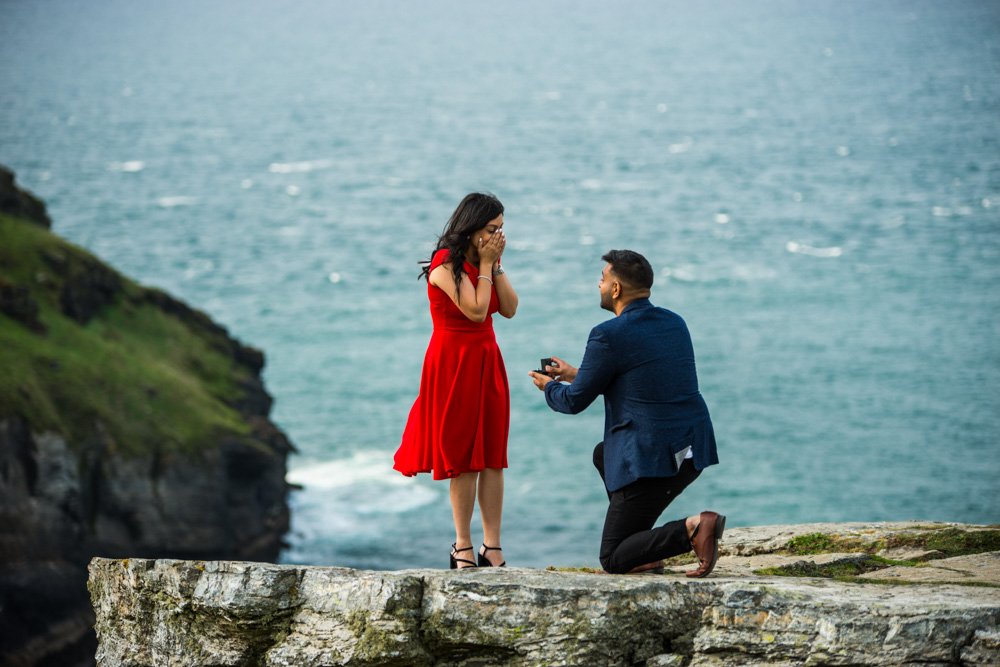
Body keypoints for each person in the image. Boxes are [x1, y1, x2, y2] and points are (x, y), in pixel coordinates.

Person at [529, 249, 724, 576]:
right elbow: (642, 379)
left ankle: (693, 528)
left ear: (616, 289)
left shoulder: (607, 334)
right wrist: (579, 374)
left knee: (613, 558)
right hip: (691, 449)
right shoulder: (674, 322)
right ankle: (644, 551)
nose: (599, 285)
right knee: (605, 455)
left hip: (654, 459)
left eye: (603, 279)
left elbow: (574, 402)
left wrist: (549, 387)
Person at [394, 193, 518, 569]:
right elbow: (477, 311)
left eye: (501, 229)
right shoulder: (444, 265)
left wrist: (493, 265)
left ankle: (492, 547)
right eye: (491, 229)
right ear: (472, 227)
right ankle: (463, 546)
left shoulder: (484, 262)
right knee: (464, 458)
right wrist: (484, 264)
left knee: (493, 456)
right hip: (453, 363)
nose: (498, 236)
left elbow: (509, 308)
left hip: (486, 359)